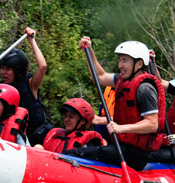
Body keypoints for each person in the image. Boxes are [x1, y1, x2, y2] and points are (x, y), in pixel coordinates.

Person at [67, 37, 166, 170]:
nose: (120, 65)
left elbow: (152, 124)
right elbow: (100, 77)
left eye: (124, 60)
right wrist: (89, 50)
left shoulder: (145, 89)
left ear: (139, 64)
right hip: (122, 147)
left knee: (74, 155)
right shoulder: (123, 81)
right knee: (84, 150)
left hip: (136, 154)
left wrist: (121, 128)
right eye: (120, 60)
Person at [0, 27, 52, 145]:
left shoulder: (30, 84)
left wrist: (32, 41)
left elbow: (42, 66)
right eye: (2, 68)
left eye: (8, 69)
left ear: (18, 71)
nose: (3, 73)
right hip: (15, 138)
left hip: (38, 139)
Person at [36, 98, 106, 153]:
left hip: (71, 170)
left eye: (71, 117)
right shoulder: (56, 134)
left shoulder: (90, 143)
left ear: (83, 121)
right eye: (66, 116)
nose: (66, 119)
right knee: (38, 147)